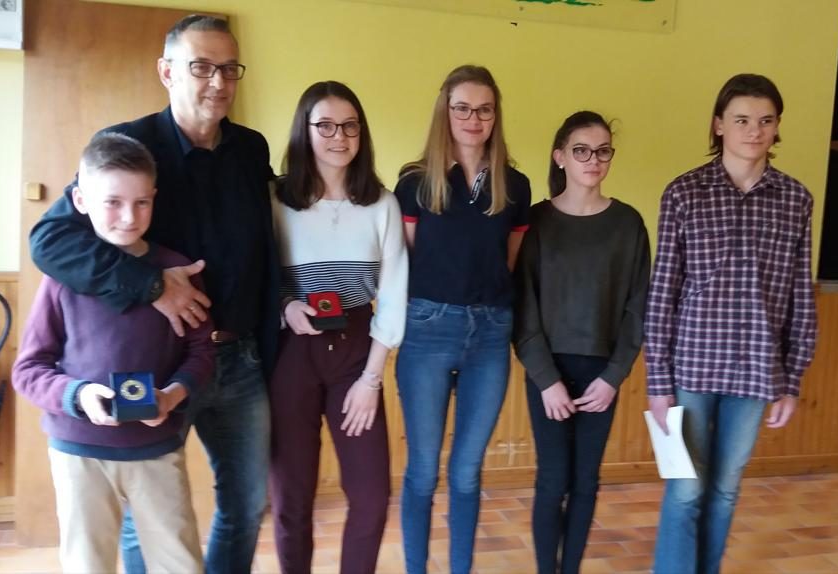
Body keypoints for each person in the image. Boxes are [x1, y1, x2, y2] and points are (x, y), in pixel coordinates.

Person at [28, 15, 279, 573]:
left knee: (246, 506)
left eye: (229, 69)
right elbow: (50, 240)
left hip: (239, 360)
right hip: (159, 365)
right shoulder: (128, 145)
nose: (218, 82)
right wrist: (153, 285)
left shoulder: (251, 148)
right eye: (201, 67)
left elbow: (265, 243)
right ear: (167, 72)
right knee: (145, 516)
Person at [12, 133, 212, 573]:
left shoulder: (177, 271)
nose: (128, 217)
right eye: (113, 202)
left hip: (157, 449)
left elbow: (201, 354)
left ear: (155, 198)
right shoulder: (62, 277)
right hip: (78, 451)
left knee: (180, 563)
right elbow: (28, 369)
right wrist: (78, 395)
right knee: (88, 564)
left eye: (142, 203)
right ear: (80, 201)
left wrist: (174, 395)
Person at [645, 73, 818, 574]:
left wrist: (792, 380)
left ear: (777, 127)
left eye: (765, 120)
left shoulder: (796, 200)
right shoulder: (683, 193)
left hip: (758, 372)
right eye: (741, 120)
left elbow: (800, 294)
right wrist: (657, 383)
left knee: (724, 489)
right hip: (690, 370)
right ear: (719, 125)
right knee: (685, 489)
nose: (754, 130)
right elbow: (662, 293)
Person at [393, 64, 531, 574]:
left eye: (484, 110)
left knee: (468, 473)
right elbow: (407, 263)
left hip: (490, 335)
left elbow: (508, 261)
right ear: (445, 112)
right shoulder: (414, 182)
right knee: (423, 472)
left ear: (496, 116)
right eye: (462, 108)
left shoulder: (515, 185)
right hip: (427, 330)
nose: (474, 119)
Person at [268, 80, 407, 574]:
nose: (339, 137)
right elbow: (260, 277)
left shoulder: (382, 204)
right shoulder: (275, 199)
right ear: (304, 131)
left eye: (350, 126)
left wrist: (371, 379)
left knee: (371, 495)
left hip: (356, 353)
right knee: (291, 495)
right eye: (325, 125)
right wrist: (286, 306)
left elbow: (393, 295)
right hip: (291, 353)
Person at [513, 111, 650, 574]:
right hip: (547, 371)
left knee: (586, 482)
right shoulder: (536, 221)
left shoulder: (628, 224)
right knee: (553, 480)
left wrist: (614, 377)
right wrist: (545, 379)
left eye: (603, 151)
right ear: (561, 157)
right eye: (582, 151)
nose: (594, 159)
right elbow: (523, 306)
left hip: (601, 377)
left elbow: (638, 308)